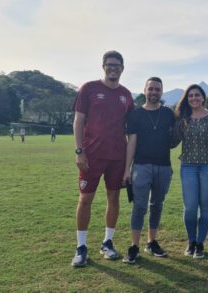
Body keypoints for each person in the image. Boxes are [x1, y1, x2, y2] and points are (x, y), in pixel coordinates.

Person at [71, 50, 134, 267]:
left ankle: (107, 242)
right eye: (109, 64)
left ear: (122, 68)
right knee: (85, 199)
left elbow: (131, 130)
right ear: (103, 66)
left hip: (117, 156)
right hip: (91, 156)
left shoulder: (126, 95)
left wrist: (128, 165)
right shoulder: (89, 88)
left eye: (117, 65)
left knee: (113, 199)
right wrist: (79, 151)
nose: (113, 68)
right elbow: (78, 121)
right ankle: (81, 247)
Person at [122, 77, 180, 264]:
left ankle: (151, 242)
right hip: (141, 165)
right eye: (151, 89)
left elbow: (175, 136)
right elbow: (131, 142)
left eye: (157, 89)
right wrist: (127, 169)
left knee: (157, 205)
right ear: (145, 90)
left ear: (162, 92)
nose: (154, 92)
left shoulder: (168, 114)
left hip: (164, 166)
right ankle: (134, 246)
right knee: (139, 206)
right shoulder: (135, 114)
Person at [174, 84, 208, 259]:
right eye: (190, 96)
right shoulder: (183, 118)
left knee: (205, 206)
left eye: (197, 95)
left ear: (203, 97)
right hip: (188, 166)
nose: (194, 98)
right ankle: (191, 241)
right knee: (190, 207)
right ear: (187, 99)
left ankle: (200, 243)